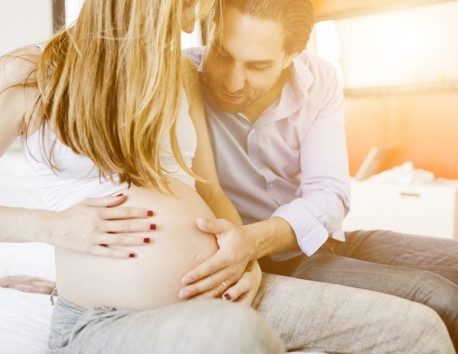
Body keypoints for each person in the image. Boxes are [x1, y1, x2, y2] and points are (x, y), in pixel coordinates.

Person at [0, 0, 453, 353]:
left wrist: (242, 256)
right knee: (234, 335)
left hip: (228, 286)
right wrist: (53, 228)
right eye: (184, 9)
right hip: (109, 316)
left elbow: (208, 186)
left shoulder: (178, 73)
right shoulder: (27, 76)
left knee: (420, 327)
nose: (189, 23)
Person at [178, 0, 458, 349]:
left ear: (290, 55)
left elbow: (328, 192)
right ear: (212, 31)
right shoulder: (180, 78)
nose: (232, 81)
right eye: (222, 53)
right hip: (266, 263)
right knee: (442, 298)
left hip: (318, 238)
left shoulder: (320, 79)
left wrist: (256, 238)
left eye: (258, 65)